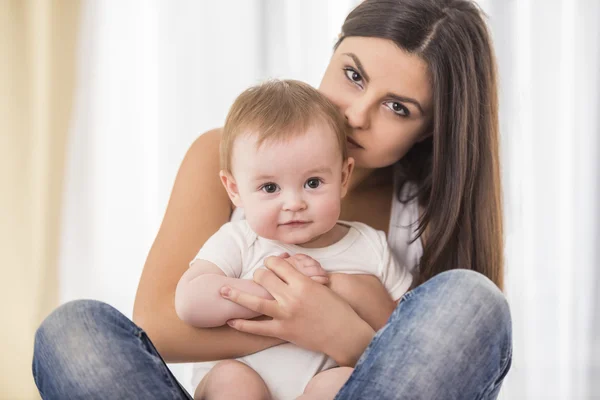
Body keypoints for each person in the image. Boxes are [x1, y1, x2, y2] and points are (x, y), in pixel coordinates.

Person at [32, 1, 512, 399]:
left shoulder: (422, 212)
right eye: (353, 75)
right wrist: (300, 319)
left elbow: (424, 362)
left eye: (397, 107)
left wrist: (344, 337)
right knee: (73, 334)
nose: (357, 114)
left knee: (473, 300)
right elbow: (159, 326)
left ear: (431, 131)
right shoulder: (224, 156)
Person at [175, 79, 413, 400]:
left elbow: (405, 334)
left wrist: (335, 287)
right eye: (270, 188)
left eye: (313, 182)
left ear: (342, 177)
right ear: (234, 190)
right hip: (242, 386)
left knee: (340, 382)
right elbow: (190, 303)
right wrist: (274, 291)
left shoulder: (370, 245)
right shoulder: (241, 238)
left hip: (318, 388)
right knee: (232, 379)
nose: (294, 203)